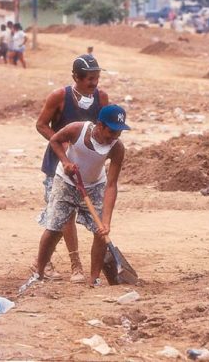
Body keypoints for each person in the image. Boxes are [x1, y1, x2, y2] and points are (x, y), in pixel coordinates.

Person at [33, 105, 130, 287]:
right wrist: (66, 161)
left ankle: (94, 278)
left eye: (118, 133)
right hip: (66, 182)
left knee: (100, 232)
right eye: (111, 132)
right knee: (54, 228)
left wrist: (106, 221)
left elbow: (111, 185)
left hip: (95, 186)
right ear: (100, 125)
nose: (114, 137)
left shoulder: (117, 147)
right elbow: (54, 140)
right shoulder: (77, 129)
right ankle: (38, 272)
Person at [33, 54, 110, 283]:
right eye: (88, 79)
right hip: (60, 161)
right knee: (62, 216)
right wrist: (61, 140)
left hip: (85, 166)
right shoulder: (60, 97)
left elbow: (105, 129)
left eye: (96, 78)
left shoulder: (102, 98)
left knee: (77, 215)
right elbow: (40, 124)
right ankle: (74, 264)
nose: (94, 84)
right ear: (75, 77)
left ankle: (43, 263)